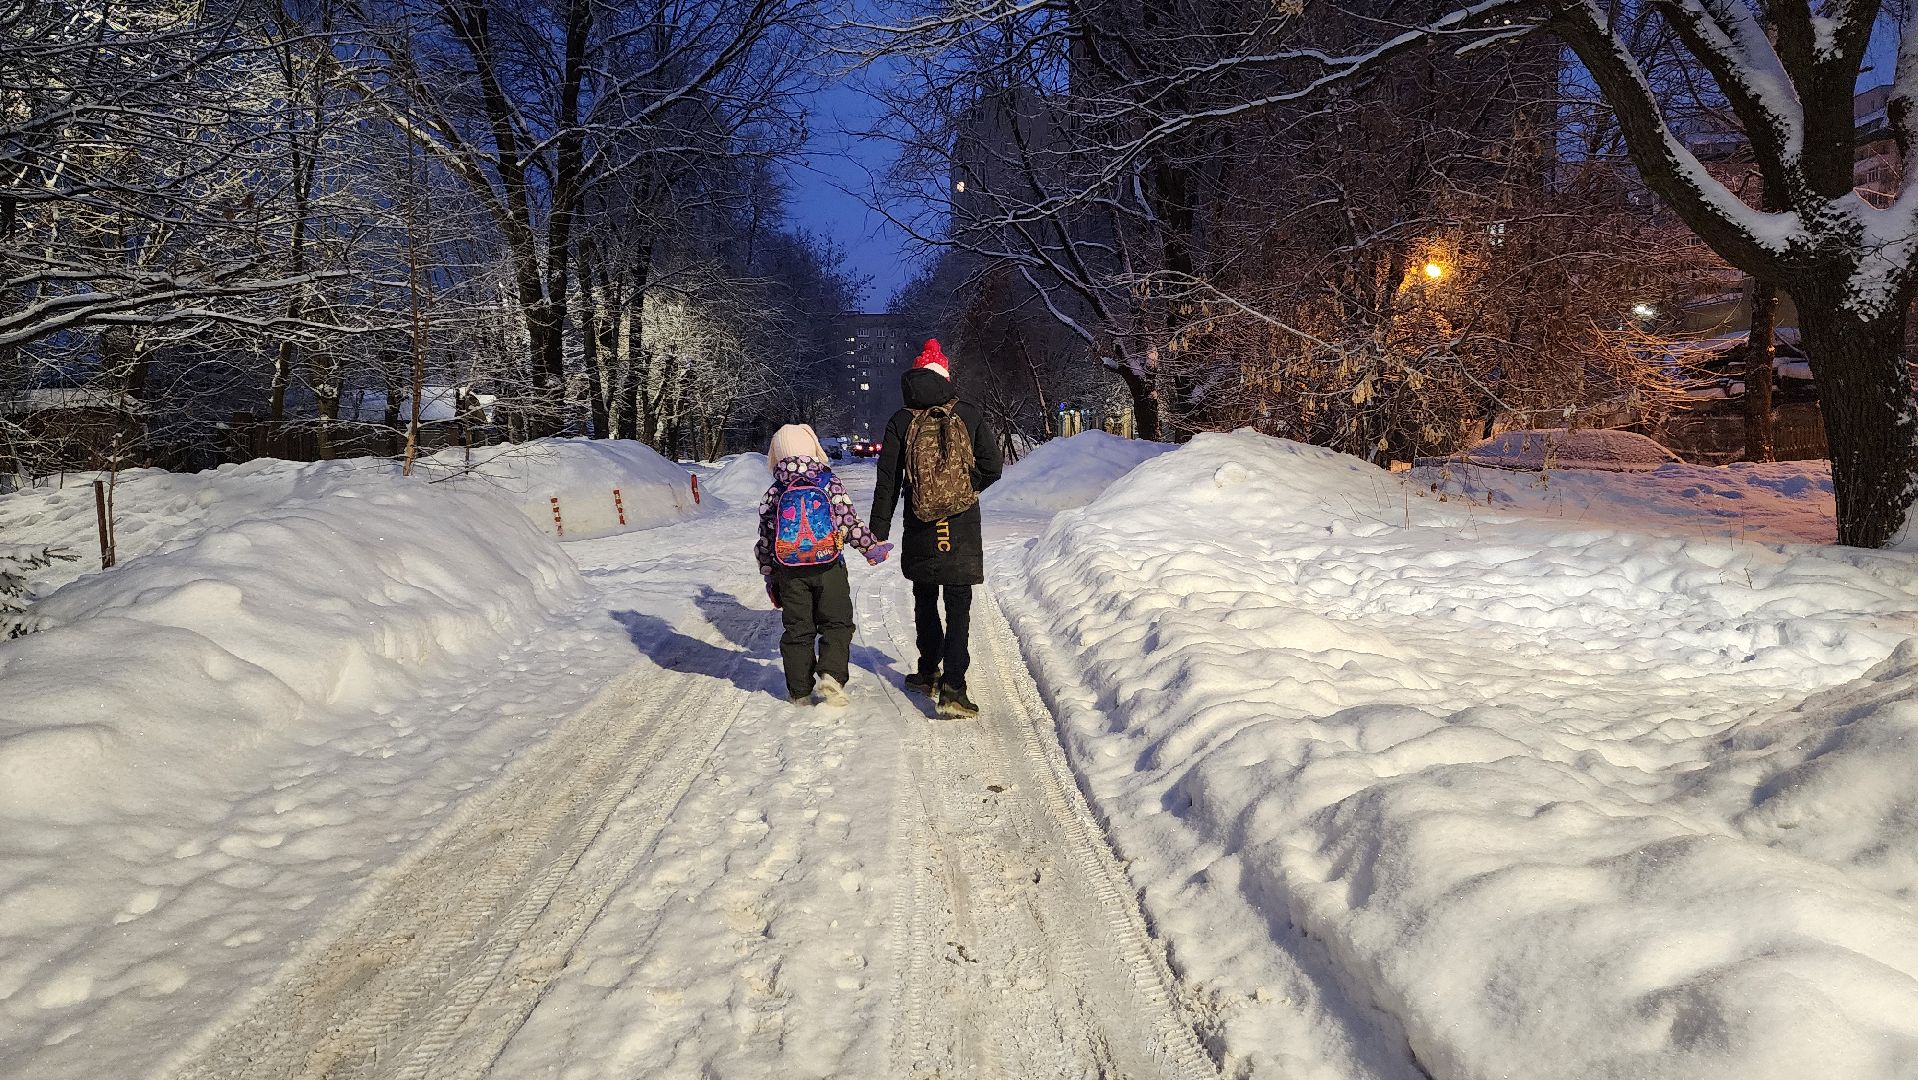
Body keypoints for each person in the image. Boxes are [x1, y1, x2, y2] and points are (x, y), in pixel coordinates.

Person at [870, 340, 1004, 717]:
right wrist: (965, 487)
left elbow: (888, 482)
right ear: (945, 376)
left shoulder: (901, 420)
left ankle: (928, 671)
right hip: (959, 521)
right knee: (958, 602)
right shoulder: (969, 414)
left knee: (925, 595)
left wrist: (878, 531)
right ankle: (954, 689)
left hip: (920, 521)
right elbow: (993, 467)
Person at [757, 424, 892, 706]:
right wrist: (870, 548)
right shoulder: (828, 482)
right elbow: (848, 522)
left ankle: (800, 691)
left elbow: (766, 541)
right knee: (837, 622)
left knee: (797, 629)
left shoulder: (774, 491)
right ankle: (831, 674)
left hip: (790, 572)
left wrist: (771, 576)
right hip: (829, 566)